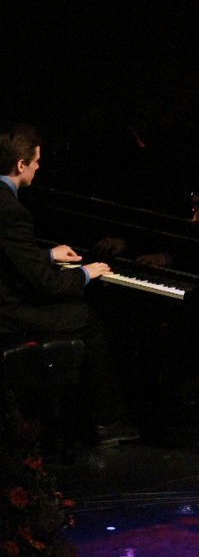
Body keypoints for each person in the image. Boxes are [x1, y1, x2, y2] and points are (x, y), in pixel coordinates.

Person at [0, 122, 139, 446]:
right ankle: (107, 422)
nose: (38, 167)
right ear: (20, 165)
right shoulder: (12, 210)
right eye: (36, 161)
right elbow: (46, 284)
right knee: (86, 316)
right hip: (6, 311)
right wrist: (86, 273)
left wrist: (48, 254)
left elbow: (9, 255)